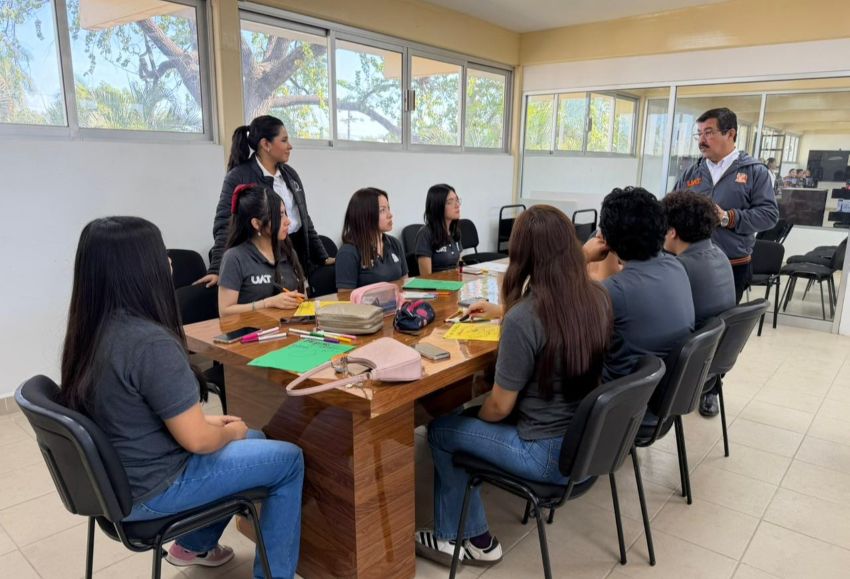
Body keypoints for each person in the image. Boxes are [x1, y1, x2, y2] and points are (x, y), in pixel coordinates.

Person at [60, 217, 303, 578]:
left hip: (116, 483)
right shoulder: (149, 343)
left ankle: (193, 544)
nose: (169, 261)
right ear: (138, 269)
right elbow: (199, 442)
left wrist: (212, 424)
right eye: (161, 253)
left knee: (256, 437)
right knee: (289, 460)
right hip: (154, 489)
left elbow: (139, 415)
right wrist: (225, 432)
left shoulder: (93, 332)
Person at [414, 206, 612, 568]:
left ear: (522, 255)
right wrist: (504, 312)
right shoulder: (597, 297)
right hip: (585, 445)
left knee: (442, 429)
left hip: (544, 454)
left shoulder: (524, 318)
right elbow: (553, 320)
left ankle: (463, 539)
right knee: (467, 418)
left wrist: (473, 417)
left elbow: (499, 408)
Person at [674, 108, 778, 416]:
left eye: (709, 133)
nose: (702, 140)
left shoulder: (754, 172)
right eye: (699, 134)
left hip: (731, 265)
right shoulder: (692, 172)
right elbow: (672, 205)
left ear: (731, 134)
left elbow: (769, 215)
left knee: (717, 332)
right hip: (689, 265)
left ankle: (710, 389)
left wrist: (729, 218)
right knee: (686, 328)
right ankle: (680, 388)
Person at [197, 115, 333, 288]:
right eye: (284, 140)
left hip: (295, 256)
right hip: (262, 260)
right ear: (266, 144)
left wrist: (322, 256)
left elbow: (304, 219)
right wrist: (216, 268)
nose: (290, 146)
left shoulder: (290, 174)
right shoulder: (239, 176)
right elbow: (225, 225)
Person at [584, 187, 695, 383]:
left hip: (617, 392)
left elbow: (560, 316)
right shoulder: (676, 267)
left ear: (607, 240)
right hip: (663, 387)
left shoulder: (613, 291)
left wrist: (583, 255)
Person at [218, 183, 307, 316]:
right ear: (257, 223)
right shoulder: (234, 257)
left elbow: (302, 295)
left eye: (285, 213)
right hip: (252, 328)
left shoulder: (287, 251)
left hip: (290, 325)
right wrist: (267, 303)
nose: (287, 221)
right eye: (279, 216)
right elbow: (225, 311)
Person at [662, 191, 736, 327]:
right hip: (714, 338)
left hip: (689, 336)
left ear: (672, 232)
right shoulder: (720, 254)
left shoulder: (678, 268)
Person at [335, 187, 408, 289]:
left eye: (388, 208)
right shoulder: (348, 252)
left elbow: (405, 284)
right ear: (365, 215)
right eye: (382, 210)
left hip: (397, 299)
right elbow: (345, 297)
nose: (390, 215)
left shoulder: (395, 243)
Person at [415, 184, 463, 275]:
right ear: (438, 206)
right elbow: (426, 278)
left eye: (457, 200)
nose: (457, 205)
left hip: (454, 282)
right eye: (450, 202)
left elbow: (458, 268)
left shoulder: (455, 231)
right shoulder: (425, 234)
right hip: (436, 283)